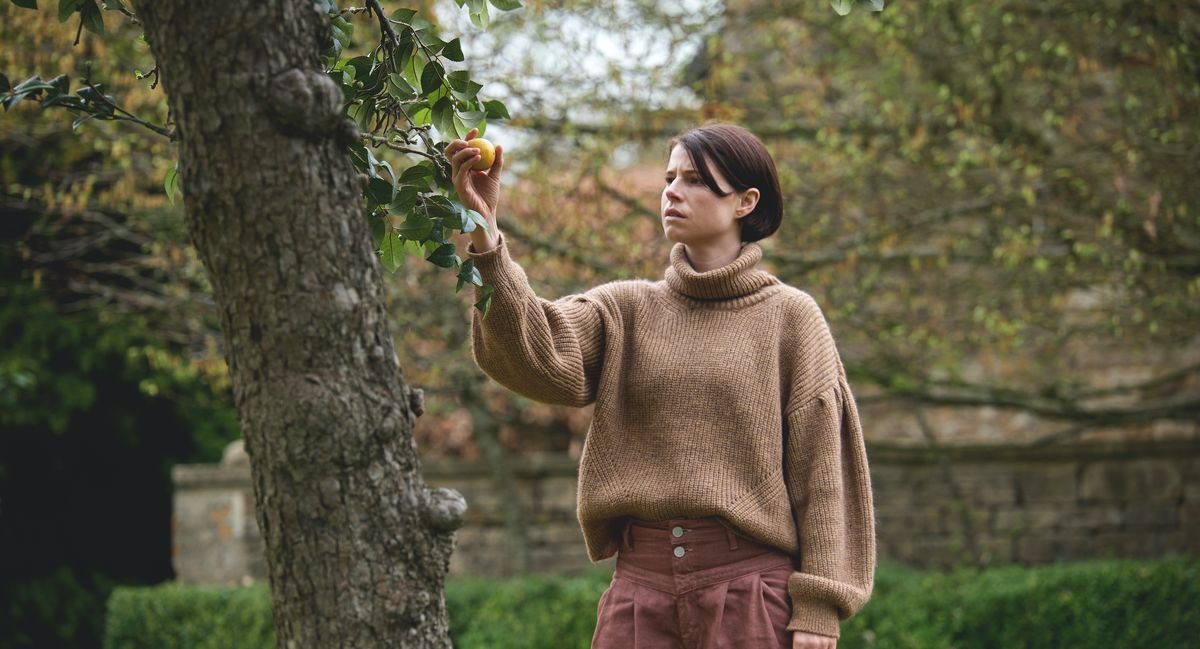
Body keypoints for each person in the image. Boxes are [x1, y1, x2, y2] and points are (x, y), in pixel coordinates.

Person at [445, 123, 875, 649]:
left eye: (694, 179)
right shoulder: (624, 309)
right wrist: (486, 237)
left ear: (745, 201)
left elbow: (825, 475)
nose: (671, 190)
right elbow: (533, 353)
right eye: (669, 177)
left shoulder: (791, 318)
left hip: (752, 599)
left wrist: (819, 609)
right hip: (638, 598)